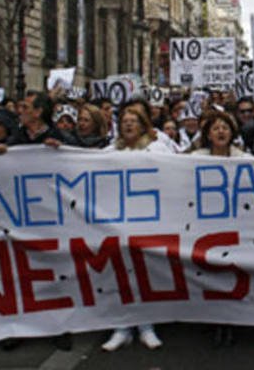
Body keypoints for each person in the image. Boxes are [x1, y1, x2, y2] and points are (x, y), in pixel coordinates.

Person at [101, 106, 171, 351]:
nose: (128, 125)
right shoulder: (109, 151)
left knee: (144, 273)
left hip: (147, 218)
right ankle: (122, 327)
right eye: (124, 121)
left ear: (143, 125)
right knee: (119, 273)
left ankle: (146, 326)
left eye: (133, 121)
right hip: (116, 220)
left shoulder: (156, 149)